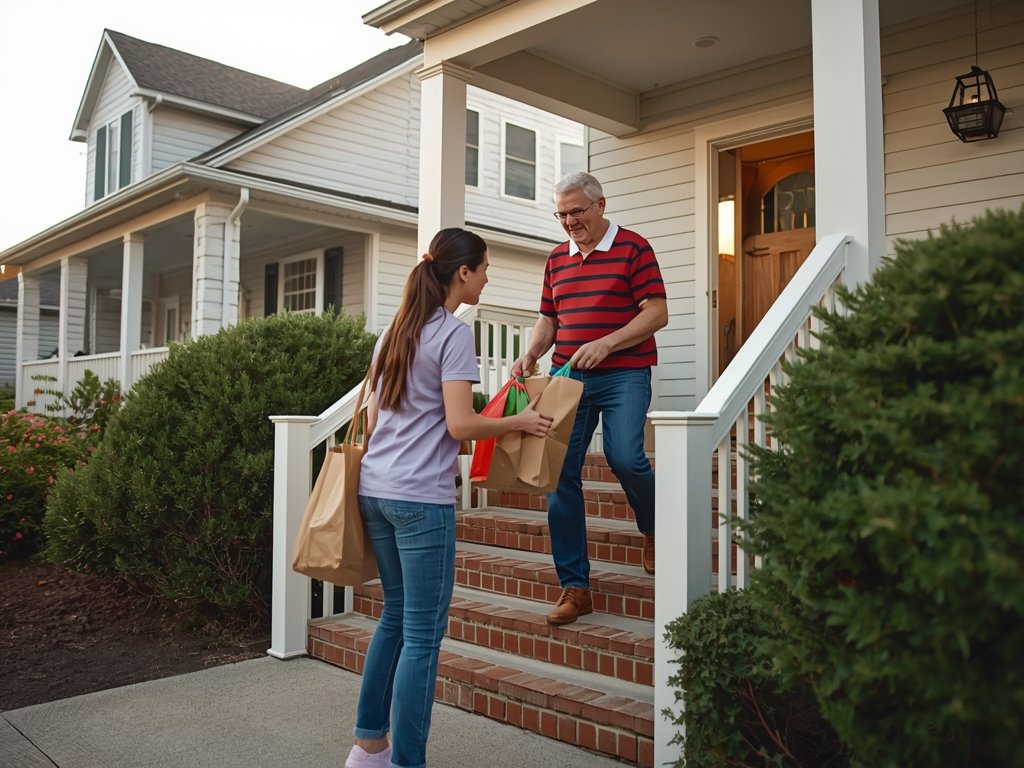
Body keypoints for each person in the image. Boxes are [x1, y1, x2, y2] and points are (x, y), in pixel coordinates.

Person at [345, 228, 553, 768]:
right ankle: (405, 762)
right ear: (462, 273)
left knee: (394, 618)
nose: (488, 277)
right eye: (484, 268)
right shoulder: (452, 334)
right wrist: (521, 420)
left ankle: (368, 748)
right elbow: (460, 425)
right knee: (421, 635)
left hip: (375, 490)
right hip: (419, 500)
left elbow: (372, 419)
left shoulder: (394, 331)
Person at [511, 171, 668, 626]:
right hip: (567, 378)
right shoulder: (556, 259)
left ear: (600, 205)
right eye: (560, 214)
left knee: (625, 456)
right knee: (560, 473)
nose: (568, 222)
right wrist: (531, 352)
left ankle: (654, 526)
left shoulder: (634, 248)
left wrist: (609, 343)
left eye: (576, 212)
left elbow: (657, 312)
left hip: (624, 374)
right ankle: (575, 587)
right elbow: (549, 319)